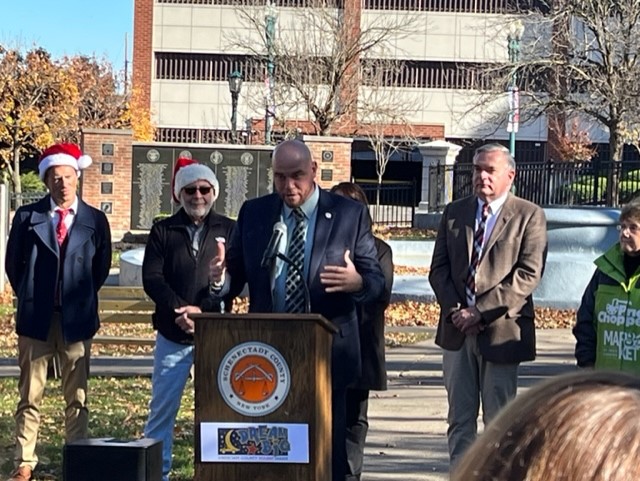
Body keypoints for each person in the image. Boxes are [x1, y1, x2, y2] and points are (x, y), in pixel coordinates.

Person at [208, 139, 385, 481]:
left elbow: (377, 283)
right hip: (266, 353)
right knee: (272, 456)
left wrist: (357, 282)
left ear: (314, 172)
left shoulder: (349, 214)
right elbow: (235, 275)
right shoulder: (255, 213)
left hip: (328, 355)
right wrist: (221, 278)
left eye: (297, 176)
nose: (288, 186)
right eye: (279, 177)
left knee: (324, 458)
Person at [429, 143, 547, 469]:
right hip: (456, 332)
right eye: (477, 169)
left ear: (510, 175)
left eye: (489, 170)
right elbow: (438, 270)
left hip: (501, 331)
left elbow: (528, 274)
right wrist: (457, 310)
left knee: (499, 421)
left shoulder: (529, 215)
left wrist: (480, 312)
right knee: (460, 419)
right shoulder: (455, 213)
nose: (481, 176)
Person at [5, 143, 112, 481]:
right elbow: (13, 265)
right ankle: (25, 461)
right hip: (36, 319)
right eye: (55, 177)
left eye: (67, 176)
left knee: (77, 395)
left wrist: (77, 297)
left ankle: (77, 455)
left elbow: (101, 267)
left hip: (76, 320)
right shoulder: (28, 217)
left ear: (76, 178)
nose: (62, 183)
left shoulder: (94, 220)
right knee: (30, 394)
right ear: (46, 181)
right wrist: (31, 293)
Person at [142, 157, 236, 481]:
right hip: (172, 335)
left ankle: (214, 472)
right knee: (161, 412)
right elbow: (152, 279)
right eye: (191, 189)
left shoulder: (229, 229)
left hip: (216, 336)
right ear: (180, 193)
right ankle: (158, 473)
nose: (198, 196)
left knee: (219, 411)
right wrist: (181, 310)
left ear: (214, 191)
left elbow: (233, 282)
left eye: (204, 189)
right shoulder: (163, 230)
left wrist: (205, 310)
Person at [452, 370, 640, 481]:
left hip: (497, 336)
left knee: (495, 422)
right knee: (464, 423)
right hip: (458, 334)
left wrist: (482, 314)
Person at [330, 182, 393, 481]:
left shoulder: (380, 250)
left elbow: (381, 293)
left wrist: (357, 283)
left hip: (362, 346)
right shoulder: (322, 245)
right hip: (324, 345)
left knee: (354, 420)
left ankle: (350, 476)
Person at [575, 198, 640, 373]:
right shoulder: (605, 269)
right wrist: (587, 363)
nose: (625, 233)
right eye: (622, 226)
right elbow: (586, 320)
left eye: (633, 227)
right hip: (605, 380)